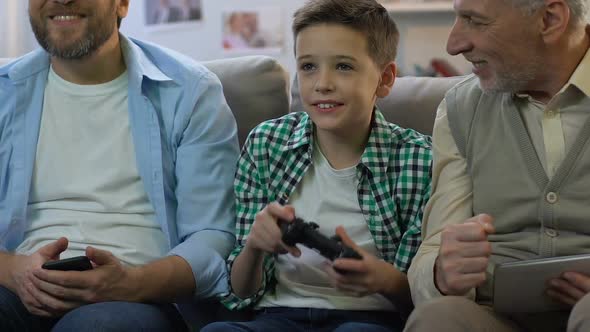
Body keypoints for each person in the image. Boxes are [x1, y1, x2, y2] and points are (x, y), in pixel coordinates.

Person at [0, 0, 239, 331]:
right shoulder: (4, 92)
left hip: (139, 298)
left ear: (122, 4)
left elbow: (214, 236)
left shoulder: (191, 92)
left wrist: (131, 282)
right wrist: (12, 270)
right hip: (17, 289)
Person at [203, 0, 432, 331]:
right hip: (278, 315)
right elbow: (240, 293)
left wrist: (385, 278)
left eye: (343, 67)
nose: (322, 83)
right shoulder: (267, 144)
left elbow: (423, 299)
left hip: (370, 318)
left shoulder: (419, 160)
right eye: (308, 66)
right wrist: (254, 246)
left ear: (384, 79)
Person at [404, 0, 590, 331]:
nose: (454, 44)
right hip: (496, 317)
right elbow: (432, 251)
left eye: (475, 21)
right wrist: (441, 275)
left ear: (549, 19)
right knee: (437, 319)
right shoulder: (461, 109)